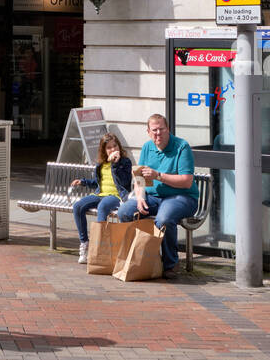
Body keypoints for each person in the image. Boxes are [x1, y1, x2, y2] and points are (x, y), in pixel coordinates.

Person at [118, 113, 197, 277]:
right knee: (124, 211)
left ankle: (171, 264)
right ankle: (140, 258)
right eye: (154, 130)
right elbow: (139, 177)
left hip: (181, 196)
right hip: (153, 196)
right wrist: (139, 197)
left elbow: (186, 181)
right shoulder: (147, 147)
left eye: (161, 129)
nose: (158, 134)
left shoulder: (182, 147)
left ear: (168, 129)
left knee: (164, 219)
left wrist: (158, 176)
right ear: (148, 131)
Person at [71, 132, 133, 264]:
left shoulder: (125, 162)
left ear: (119, 146)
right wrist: (83, 182)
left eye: (115, 146)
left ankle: (100, 245)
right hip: (100, 194)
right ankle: (85, 244)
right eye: (109, 147)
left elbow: (125, 182)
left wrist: (115, 165)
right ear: (104, 150)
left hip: (116, 196)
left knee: (103, 206)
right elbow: (97, 182)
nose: (113, 149)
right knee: (78, 206)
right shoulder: (101, 164)